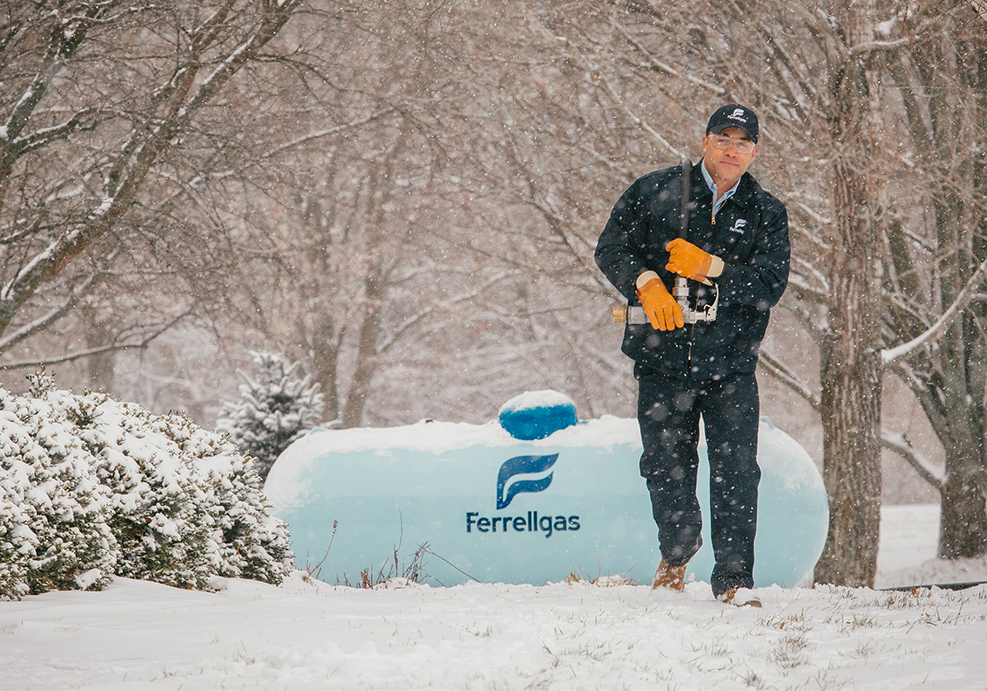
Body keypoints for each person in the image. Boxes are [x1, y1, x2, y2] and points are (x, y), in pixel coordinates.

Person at [594, 104, 790, 604]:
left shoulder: (766, 212)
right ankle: (678, 552)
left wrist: (714, 267)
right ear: (704, 143)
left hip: (731, 364)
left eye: (743, 142)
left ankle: (733, 582)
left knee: (737, 472)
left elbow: (770, 286)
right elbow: (611, 247)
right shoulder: (655, 191)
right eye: (723, 139)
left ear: (754, 152)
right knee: (664, 466)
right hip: (662, 359)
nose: (731, 150)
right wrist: (645, 285)